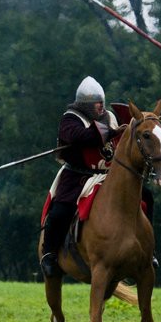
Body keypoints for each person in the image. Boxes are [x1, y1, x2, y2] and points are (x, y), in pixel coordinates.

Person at [39, 76, 125, 278]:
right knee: (60, 211)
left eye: (102, 103)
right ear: (86, 105)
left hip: (107, 175)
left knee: (144, 197)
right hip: (78, 175)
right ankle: (49, 254)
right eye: (97, 104)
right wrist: (112, 133)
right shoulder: (71, 118)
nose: (101, 107)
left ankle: (147, 250)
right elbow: (81, 137)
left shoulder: (110, 117)